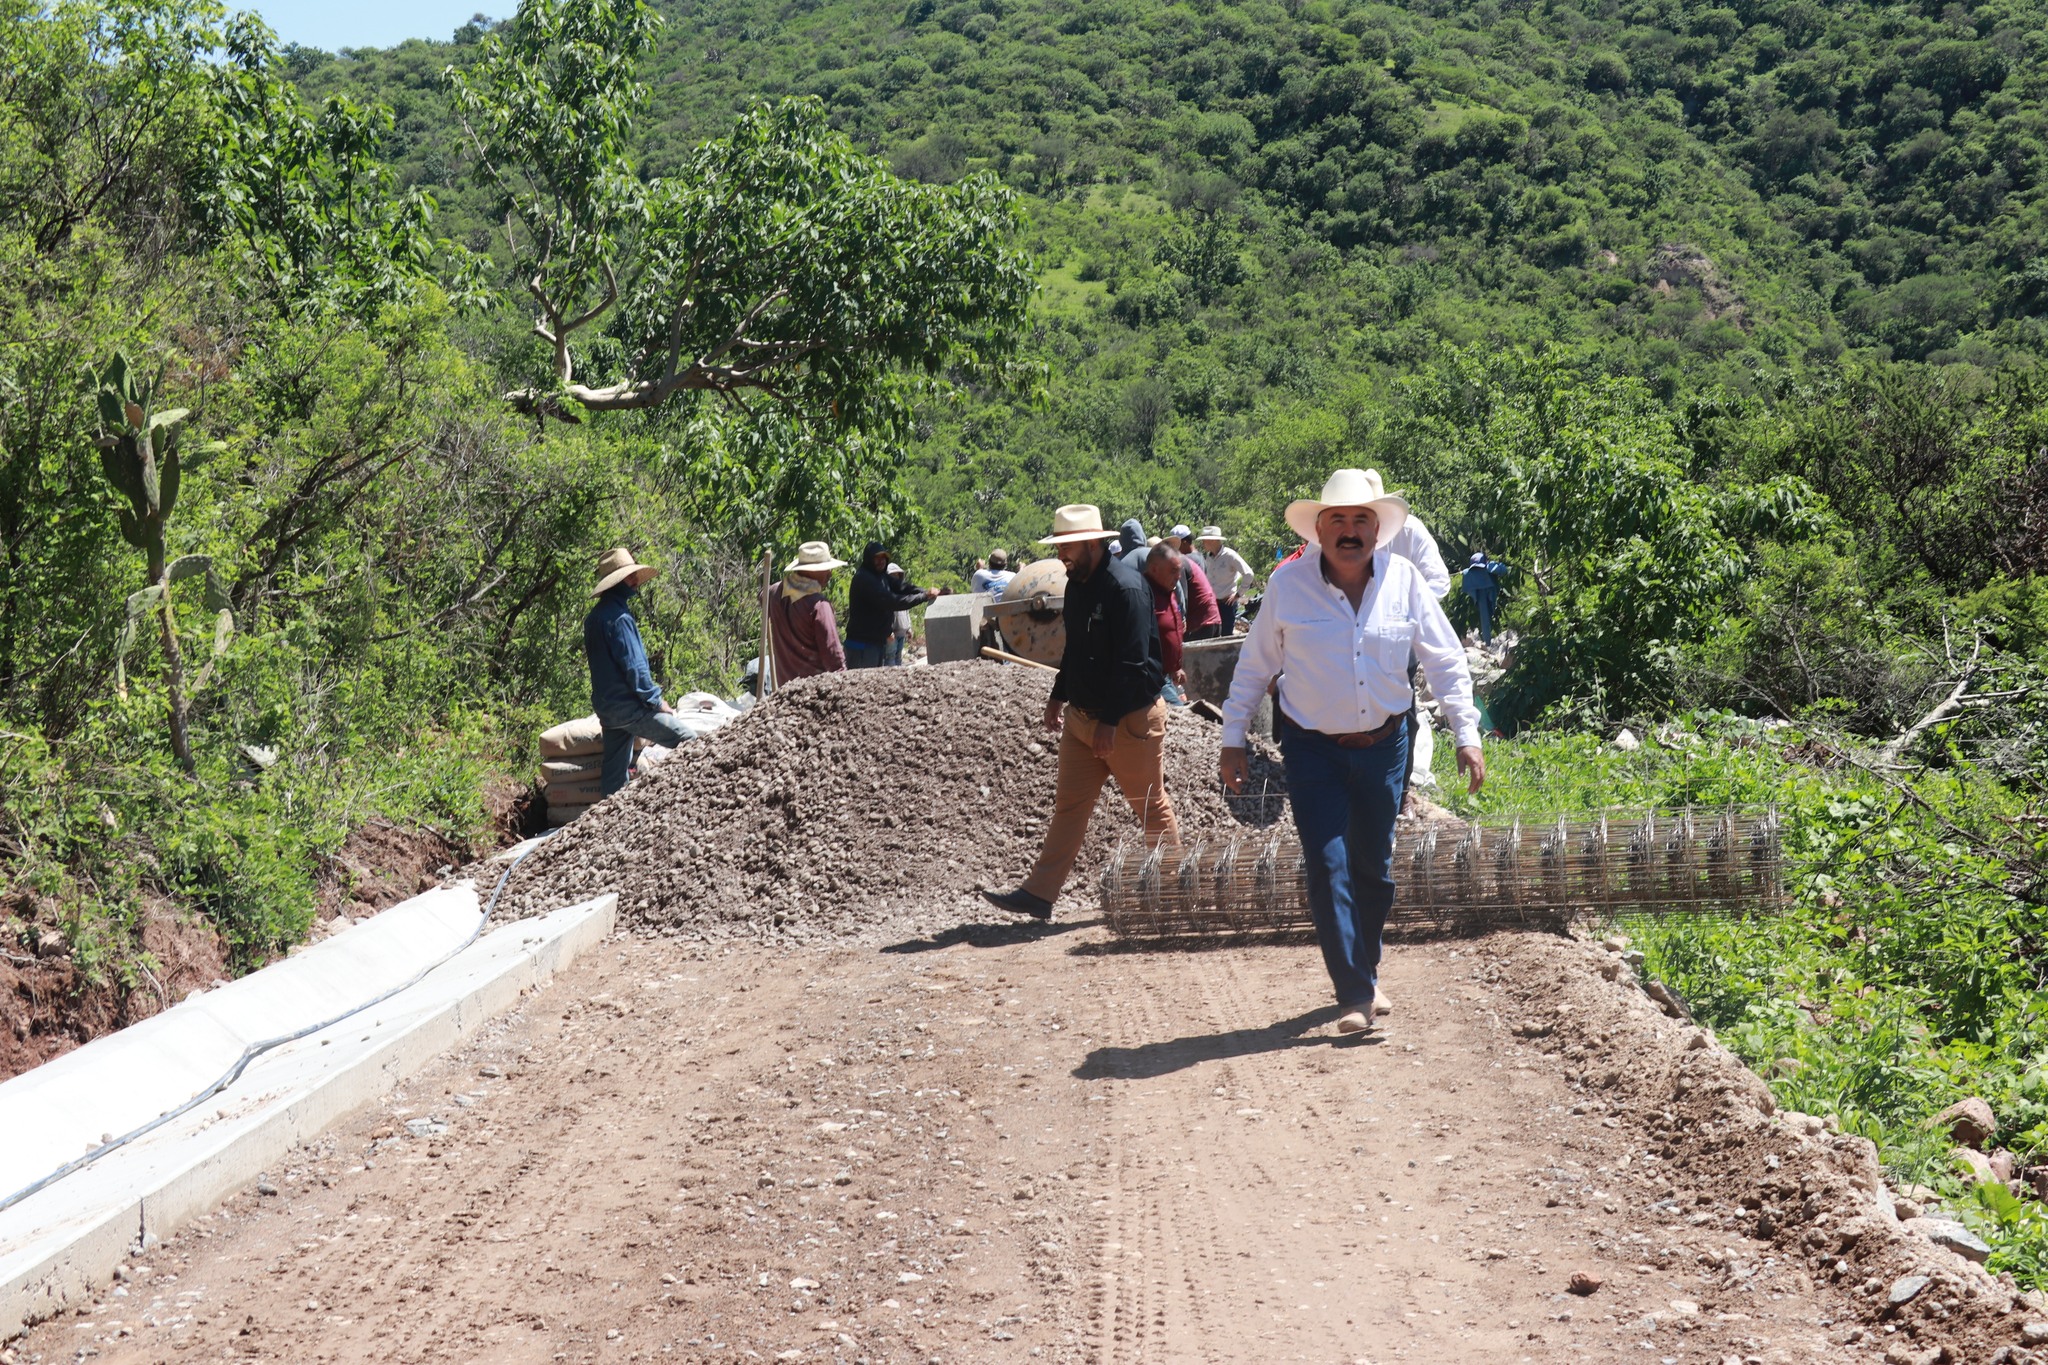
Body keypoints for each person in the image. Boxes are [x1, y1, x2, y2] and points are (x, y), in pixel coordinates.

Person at [1219, 470, 1485, 1036]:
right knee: (1327, 863)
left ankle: (1365, 968)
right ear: (1318, 530)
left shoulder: (1405, 581)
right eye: (1337, 520)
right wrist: (1232, 739)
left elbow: (1443, 660)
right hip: (1312, 748)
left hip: (1386, 746)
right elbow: (1255, 666)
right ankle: (1355, 994)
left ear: (1377, 530)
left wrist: (1467, 734)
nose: (1349, 531)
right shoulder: (1287, 587)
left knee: (1374, 868)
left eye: (1361, 520)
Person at [982, 504, 1180, 921]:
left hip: (1127, 721)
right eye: (1061, 547)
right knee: (1069, 808)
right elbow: (1074, 648)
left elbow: (1132, 662)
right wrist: (1058, 695)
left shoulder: (1126, 588)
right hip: (1082, 719)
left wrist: (1109, 722)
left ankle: (1174, 891)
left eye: (1069, 546)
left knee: (1150, 807)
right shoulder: (1075, 585)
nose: (1063, 556)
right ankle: (1039, 894)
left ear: (1093, 542)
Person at [583, 547, 700, 797]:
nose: (635, 581)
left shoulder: (594, 617)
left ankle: (607, 823)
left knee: (614, 776)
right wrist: (656, 702)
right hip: (629, 708)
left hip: (607, 708)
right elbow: (634, 668)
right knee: (691, 740)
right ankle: (691, 796)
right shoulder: (620, 618)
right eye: (629, 577)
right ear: (617, 583)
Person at [765, 541, 848, 684]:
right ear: (813, 571)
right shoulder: (819, 606)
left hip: (784, 689)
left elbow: (762, 595)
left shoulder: (773, 593)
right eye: (826, 569)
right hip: (813, 690)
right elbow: (834, 660)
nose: (829, 574)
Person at [846, 542, 940, 668]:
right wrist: (924, 596)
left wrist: (925, 591)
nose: (881, 562)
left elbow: (901, 587)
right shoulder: (864, 579)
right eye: (876, 558)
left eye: (883, 558)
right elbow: (892, 601)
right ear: (869, 559)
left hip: (875, 644)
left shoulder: (880, 576)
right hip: (862, 646)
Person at [1136, 545, 1188, 685]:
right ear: (1154, 569)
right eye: (1173, 571)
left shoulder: (1168, 590)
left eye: (1179, 571)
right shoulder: (1141, 595)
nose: (1178, 576)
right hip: (1150, 678)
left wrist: (1175, 669)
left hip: (1166, 676)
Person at [1193, 526, 1256, 634]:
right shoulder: (1209, 557)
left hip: (1227, 604)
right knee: (1213, 635)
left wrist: (1238, 594)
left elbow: (1248, 574)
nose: (1203, 543)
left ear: (1212, 541)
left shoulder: (1229, 555)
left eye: (1205, 540)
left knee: (1226, 635)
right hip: (1213, 604)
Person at [1462, 551, 1509, 645]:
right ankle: (1487, 642)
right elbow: (1503, 570)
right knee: (1485, 618)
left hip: (1483, 593)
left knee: (1485, 618)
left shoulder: (1487, 567)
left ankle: (1488, 641)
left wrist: (1493, 567)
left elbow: (1503, 570)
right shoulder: (1470, 572)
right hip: (1483, 594)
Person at [884, 562, 915, 665]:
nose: (895, 577)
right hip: (892, 632)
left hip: (902, 631)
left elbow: (907, 611)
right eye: (892, 575)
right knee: (890, 657)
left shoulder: (902, 592)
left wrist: (909, 628)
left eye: (897, 575)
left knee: (898, 657)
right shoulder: (886, 593)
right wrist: (888, 631)